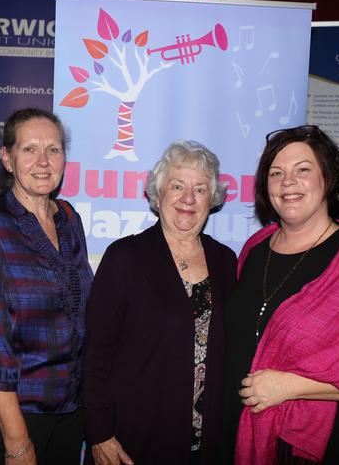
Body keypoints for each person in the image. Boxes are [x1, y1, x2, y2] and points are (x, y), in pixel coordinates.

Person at [220, 125, 339, 464]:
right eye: (276, 173)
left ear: (327, 178)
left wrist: (291, 386)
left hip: (313, 446)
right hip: (235, 431)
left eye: (302, 170)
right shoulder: (254, 249)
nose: (287, 182)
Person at [83, 141, 237, 464]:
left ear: (211, 199)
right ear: (159, 193)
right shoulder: (124, 258)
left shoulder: (225, 261)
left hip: (207, 444)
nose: (188, 199)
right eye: (177, 186)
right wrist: (99, 433)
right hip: (135, 441)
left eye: (199, 189)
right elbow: (95, 353)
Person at [0, 108, 93, 465]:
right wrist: (17, 442)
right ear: (7, 158)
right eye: (29, 149)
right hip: (17, 415)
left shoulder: (69, 218)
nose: (43, 161)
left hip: (71, 411)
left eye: (54, 149)